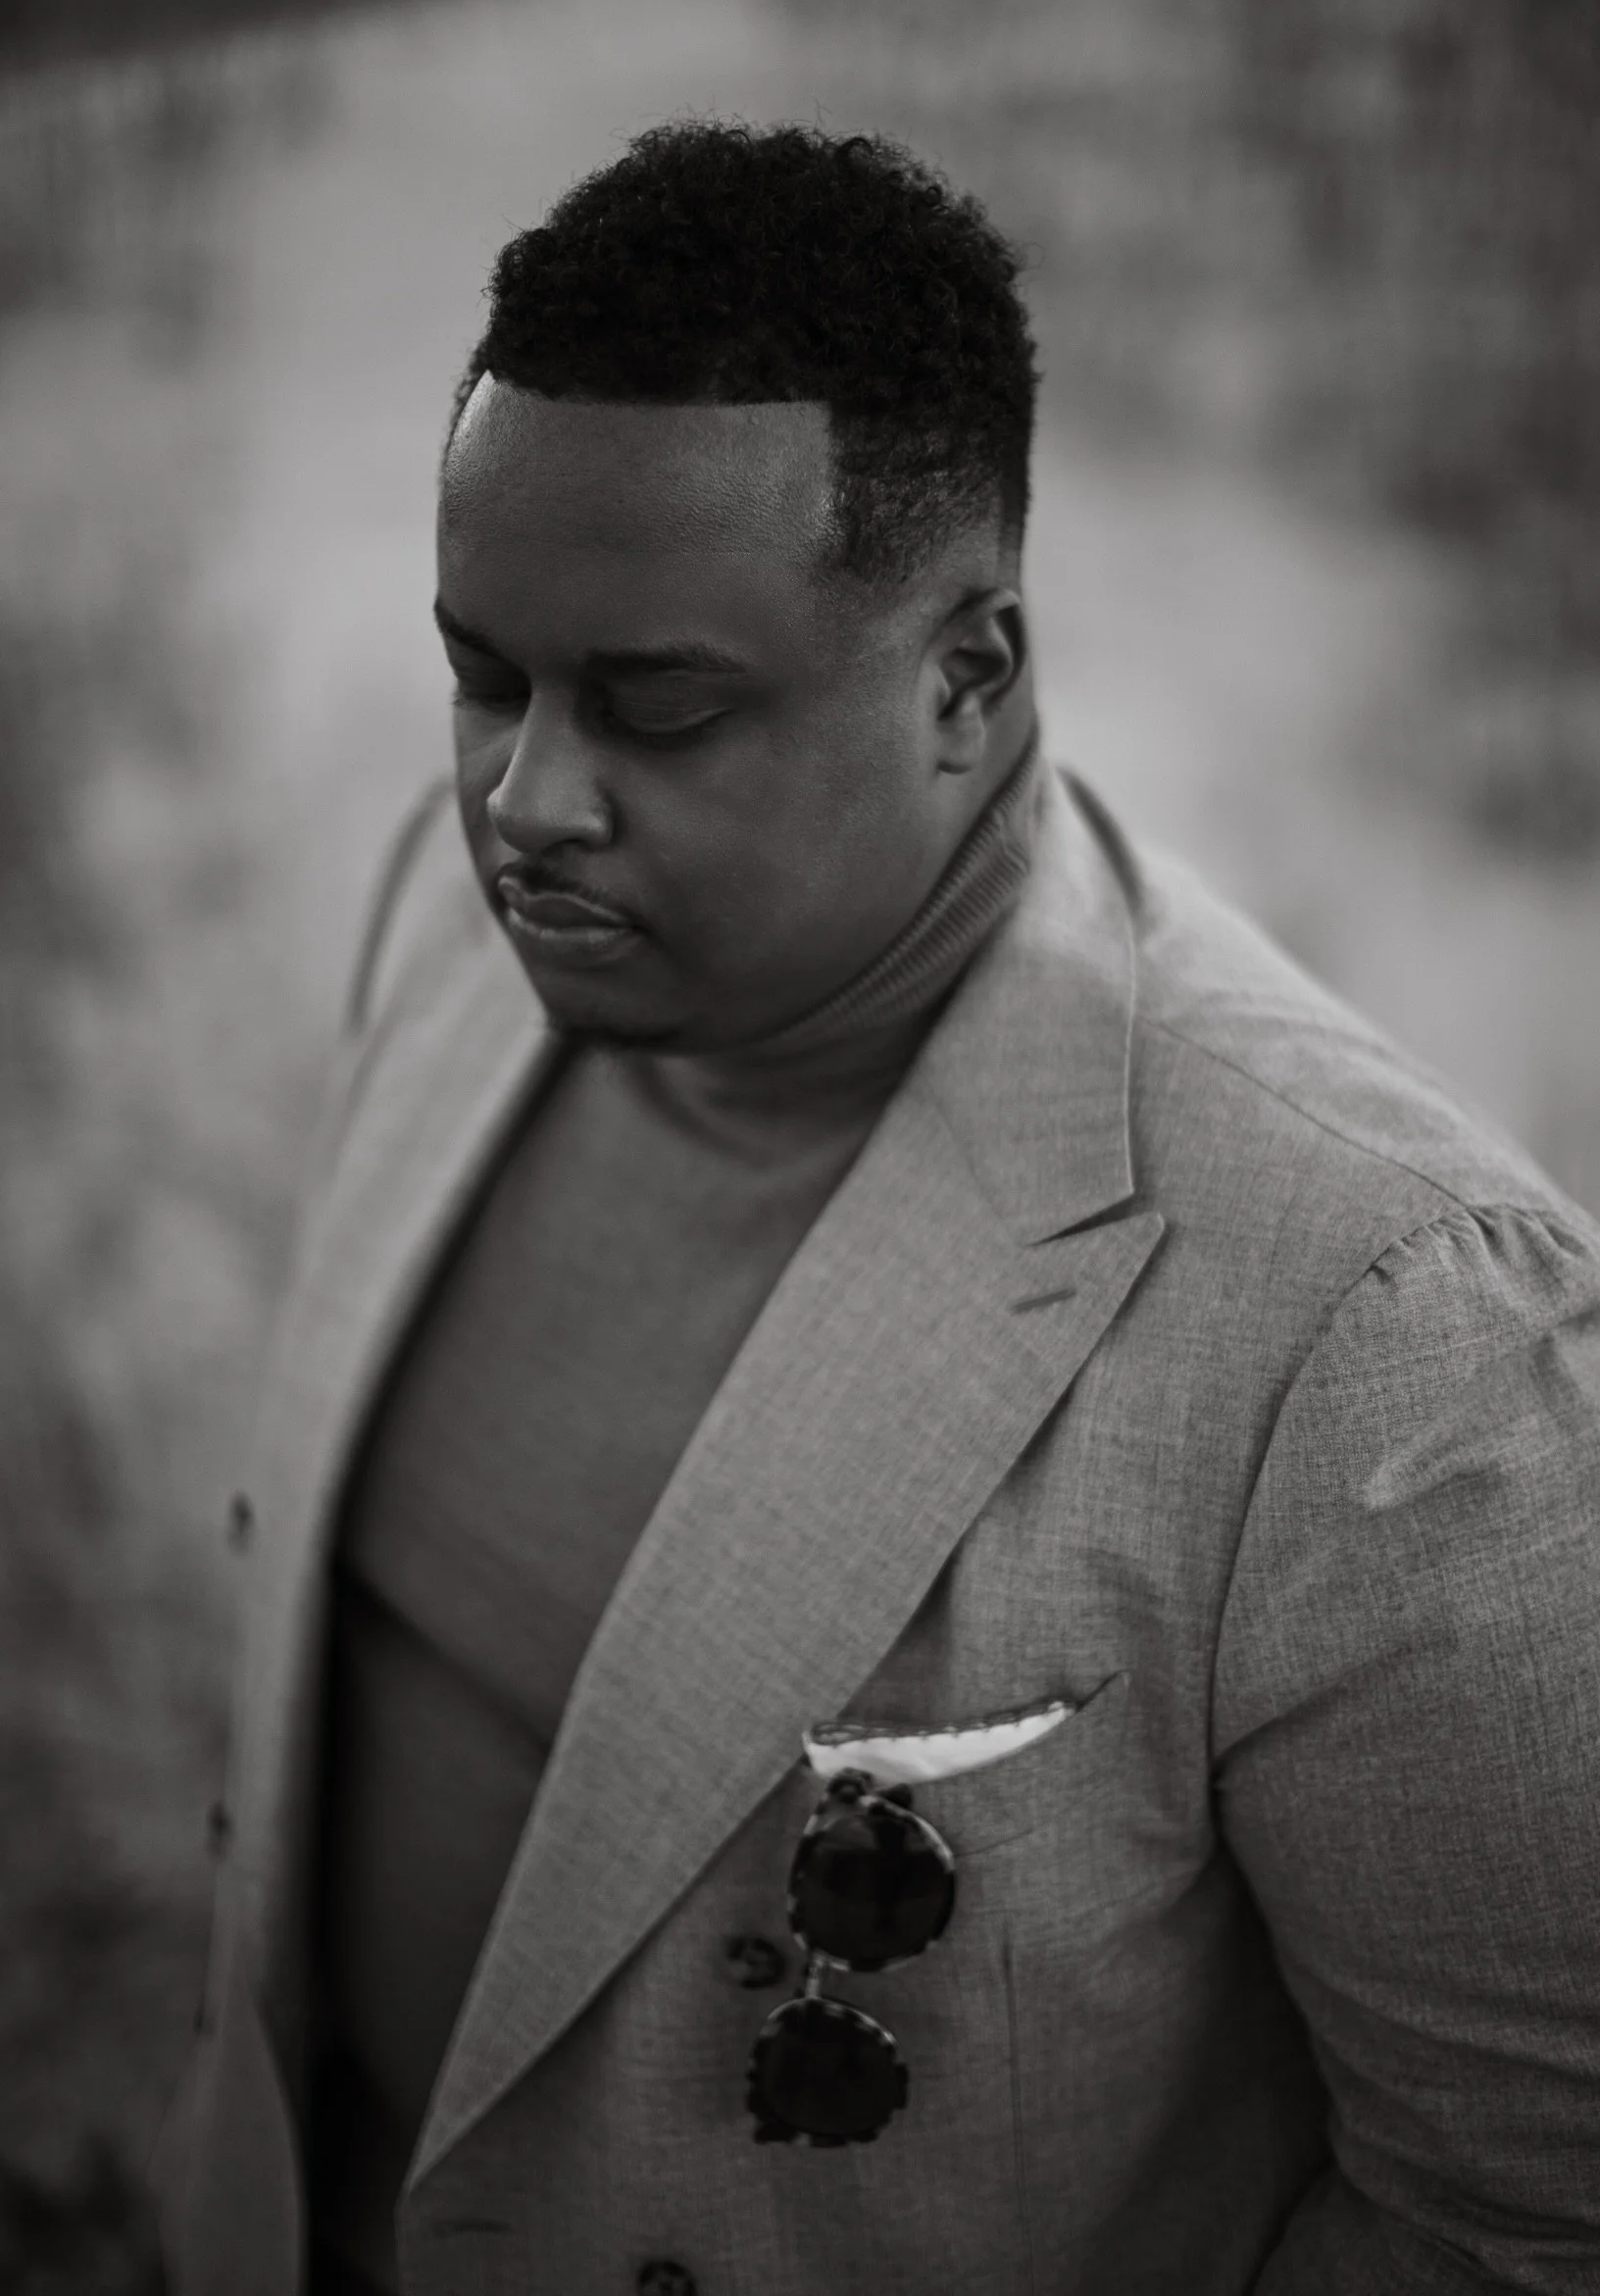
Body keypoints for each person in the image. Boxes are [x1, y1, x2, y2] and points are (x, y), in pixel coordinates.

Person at [152, 122, 1600, 2296]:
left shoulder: (1383, 1313)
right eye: (484, 677)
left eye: (658, 706)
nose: (522, 805)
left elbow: (1521, 2217)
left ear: (967, 677)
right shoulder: (449, 940)